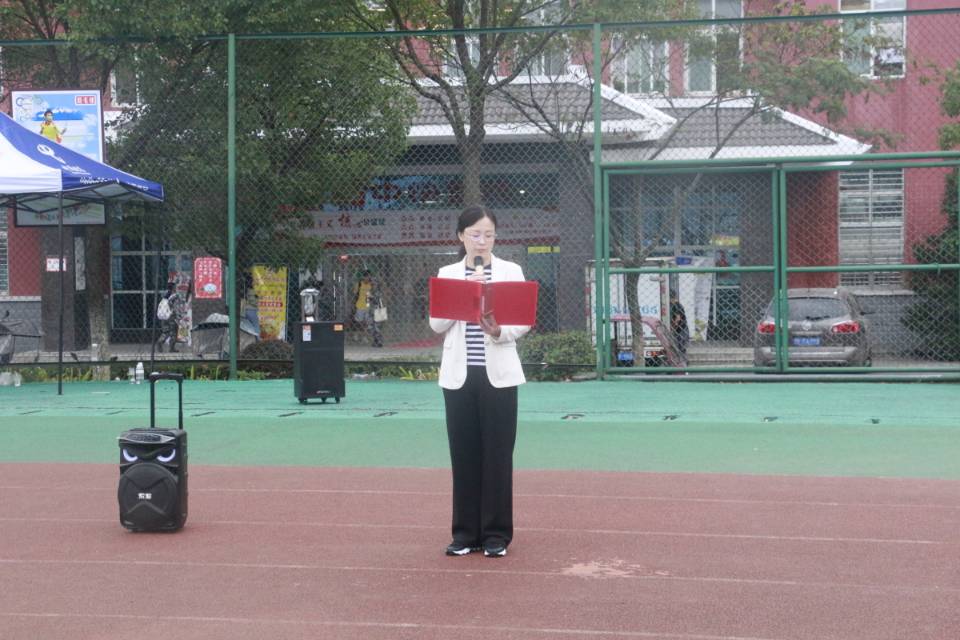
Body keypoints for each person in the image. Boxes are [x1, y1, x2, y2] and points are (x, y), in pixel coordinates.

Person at [429, 205, 532, 558]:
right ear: (461, 236)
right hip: (459, 376)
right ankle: (464, 534)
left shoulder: (510, 271)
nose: (482, 241)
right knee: (464, 453)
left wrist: (500, 331)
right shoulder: (448, 273)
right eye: (475, 234)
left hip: (499, 376)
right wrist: (463, 295)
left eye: (488, 234)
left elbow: (523, 320)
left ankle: (496, 535)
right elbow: (436, 324)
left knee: (498, 454)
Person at [353, 270, 383, 347]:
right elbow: (356, 294)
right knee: (365, 323)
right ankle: (375, 340)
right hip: (364, 306)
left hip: (374, 307)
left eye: (369, 277)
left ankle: (375, 339)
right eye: (366, 277)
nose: (368, 279)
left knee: (374, 324)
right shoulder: (362, 285)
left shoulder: (375, 287)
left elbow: (377, 297)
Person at [156, 282, 181, 353]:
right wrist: (176, 314)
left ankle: (160, 342)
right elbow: (174, 306)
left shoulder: (164, 294)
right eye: (175, 287)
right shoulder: (174, 296)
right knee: (174, 332)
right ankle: (171, 348)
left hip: (164, 316)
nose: (176, 288)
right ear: (173, 287)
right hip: (171, 316)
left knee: (165, 331)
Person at [669, 291, 689, 357]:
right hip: (683, 328)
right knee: (681, 346)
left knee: (680, 346)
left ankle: (681, 359)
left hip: (681, 329)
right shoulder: (678, 305)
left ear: (671, 298)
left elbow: (678, 318)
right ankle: (681, 358)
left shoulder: (676, 305)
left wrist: (673, 326)